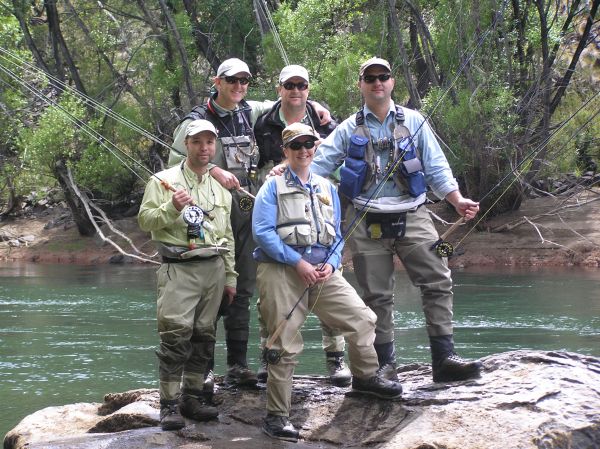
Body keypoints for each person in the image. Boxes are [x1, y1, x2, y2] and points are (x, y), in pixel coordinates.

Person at [305, 57, 483, 383]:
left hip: (413, 214)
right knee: (376, 296)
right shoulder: (347, 129)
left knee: (437, 281)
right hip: (364, 220)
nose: (377, 83)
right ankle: (386, 365)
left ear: (392, 82)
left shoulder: (414, 120)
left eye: (383, 77)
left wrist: (456, 200)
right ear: (361, 84)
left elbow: (435, 165)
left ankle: (444, 359)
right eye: (370, 78)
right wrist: (290, 176)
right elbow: (316, 166)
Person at [169, 58, 332, 389]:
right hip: (214, 216)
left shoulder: (253, 110)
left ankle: (239, 366)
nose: (239, 86)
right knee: (215, 289)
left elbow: (288, 102)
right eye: (232, 80)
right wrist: (214, 169)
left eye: (244, 80)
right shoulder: (197, 120)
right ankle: (203, 370)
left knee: (243, 288)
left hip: (250, 211)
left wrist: (315, 105)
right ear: (217, 81)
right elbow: (174, 163)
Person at [253, 122, 403, 443]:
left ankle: (365, 378)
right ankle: (277, 416)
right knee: (283, 342)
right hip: (281, 270)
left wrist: (331, 264)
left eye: (309, 144)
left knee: (363, 320)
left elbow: (337, 234)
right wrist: (298, 263)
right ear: (286, 152)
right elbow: (263, 233)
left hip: (323, 271)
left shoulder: (327, 188)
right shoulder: (271, 188)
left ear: (316, 147)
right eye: (297, 146)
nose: (304, 150)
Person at [253, 64, 350, 386]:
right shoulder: (262, 120)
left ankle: (336, 359)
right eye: (289, 85)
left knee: (329, 287)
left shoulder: (325, 121)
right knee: (270, 298)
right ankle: (270, 355)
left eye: (302, 85)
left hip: (319, 208)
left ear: (309, 89)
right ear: (279, 88)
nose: (296, 90)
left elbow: (339, 160)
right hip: (275, 209)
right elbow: (235, 103)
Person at [138, 119, 236, 430]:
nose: (204, 148)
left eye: (209, 142)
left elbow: (228, 236)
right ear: (186, 145)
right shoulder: (162, 180)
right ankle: (168, 405)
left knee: (204, 338)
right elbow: (145, 220)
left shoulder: (222, 186)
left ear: (215, 146)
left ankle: (193, 399)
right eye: (197, 142)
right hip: (179, 268)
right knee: (175, 338)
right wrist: (171, 207)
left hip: (215, 269)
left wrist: (231, 277)